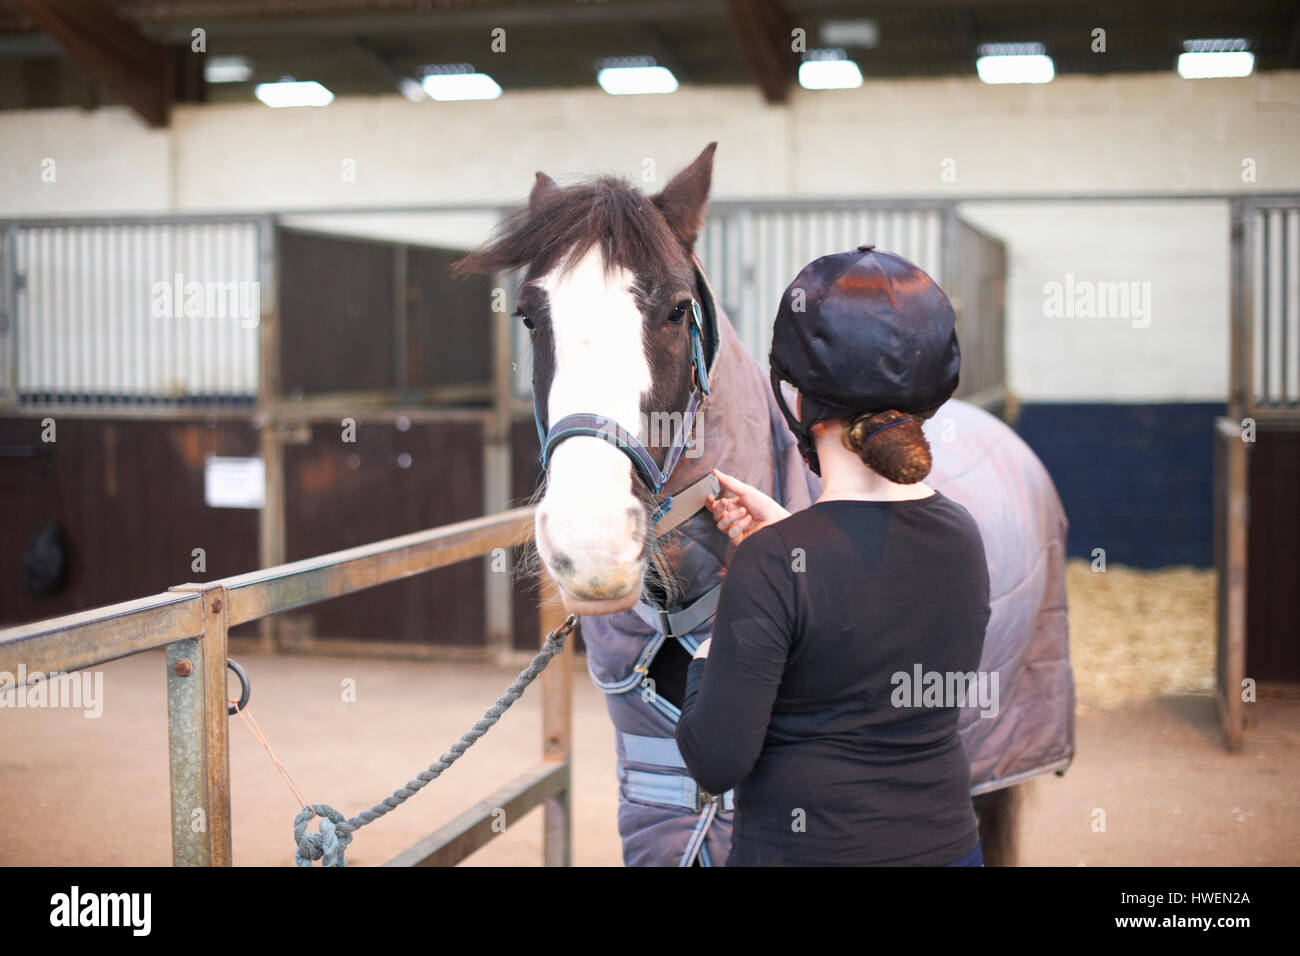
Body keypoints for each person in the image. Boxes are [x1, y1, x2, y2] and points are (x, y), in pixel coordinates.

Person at [674, 244, 990, 866]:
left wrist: (714, 646)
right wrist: (788, 540)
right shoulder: (962, 533)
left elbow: (715, 760)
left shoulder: (772, 563)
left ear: (798, 403)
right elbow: (871, 603)